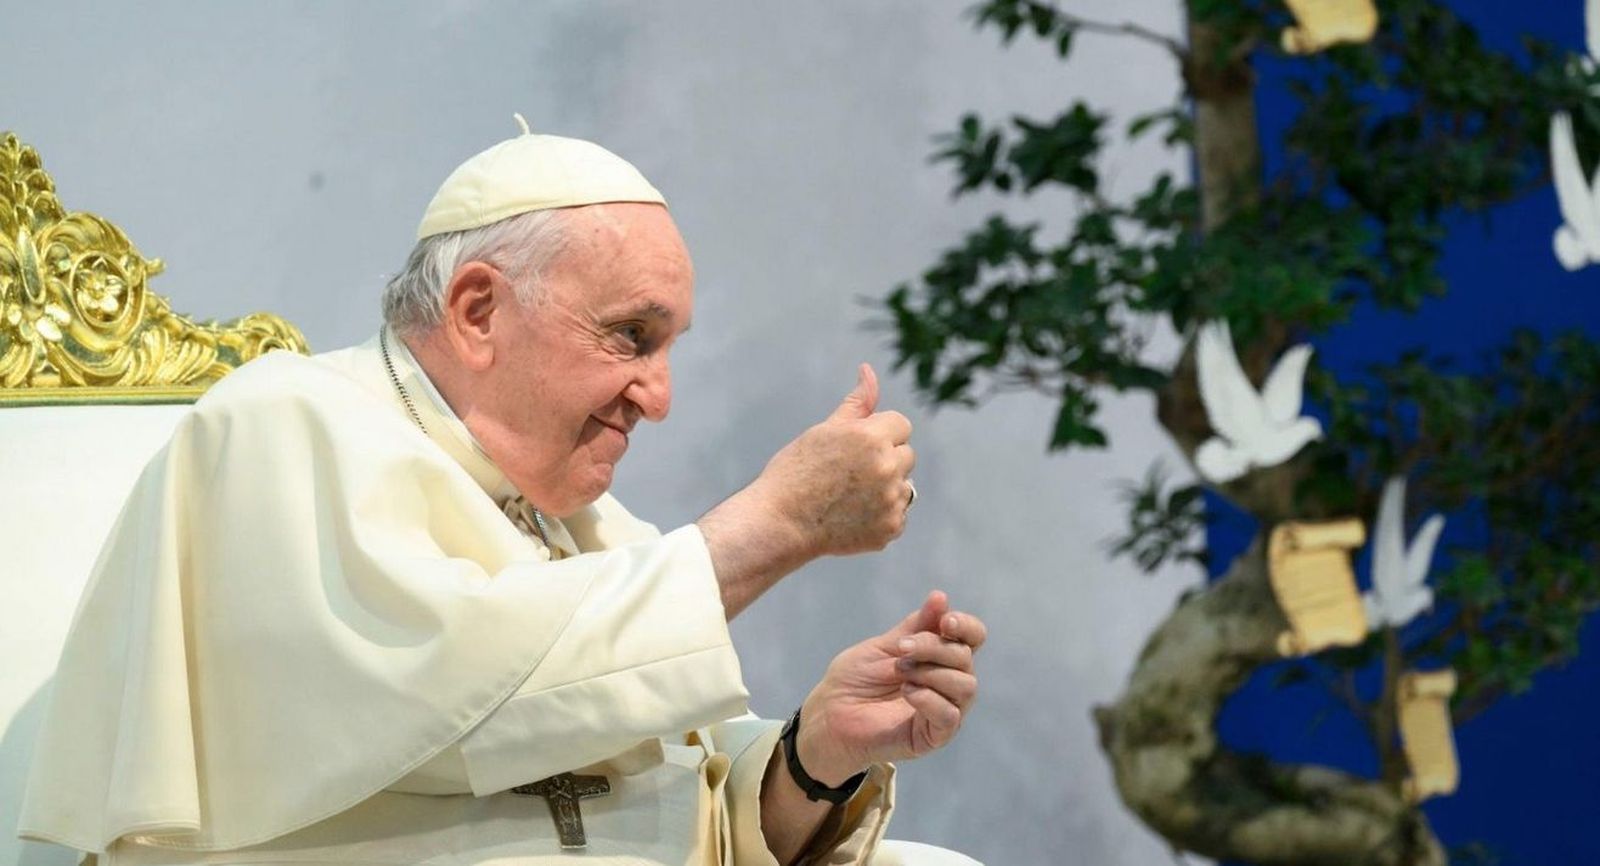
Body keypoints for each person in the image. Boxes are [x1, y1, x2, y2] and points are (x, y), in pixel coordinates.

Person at [18, 124, 986, 866]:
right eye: (630, 336)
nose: (659, 393)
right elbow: (455, 696)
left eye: (669, 345)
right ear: (478, 308)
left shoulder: (580, 521)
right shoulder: (289, 420)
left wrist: (815, 753)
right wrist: (778, 521)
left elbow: (668, 803)